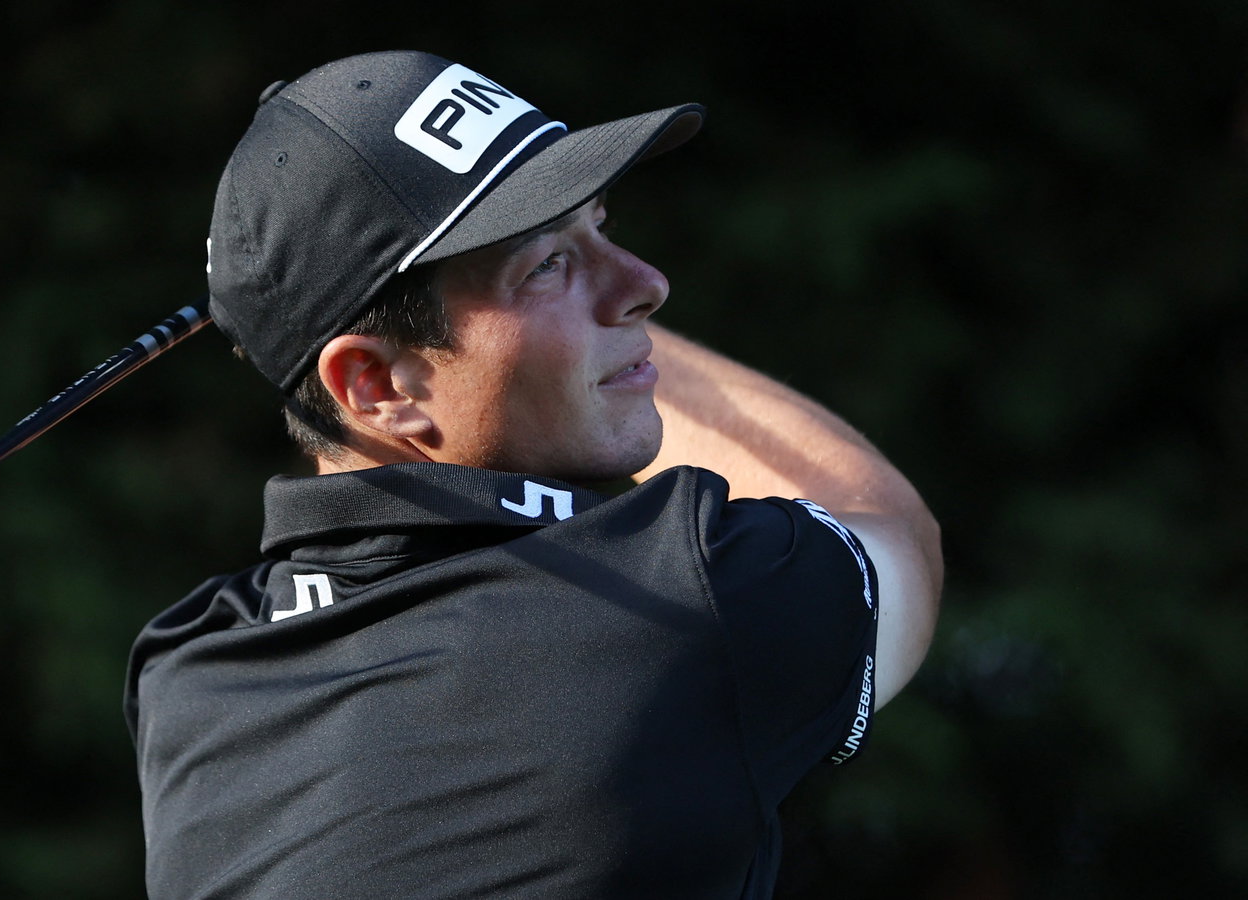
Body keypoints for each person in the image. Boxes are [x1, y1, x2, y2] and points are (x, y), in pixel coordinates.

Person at [126, 50, 942, 899]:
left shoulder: (188, 671)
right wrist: (619, 353)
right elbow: (887, 529)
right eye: (547, 263)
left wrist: (586, 335)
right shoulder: (679, 603)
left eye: (601, 226)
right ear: (378, 386)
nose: (648, 283)